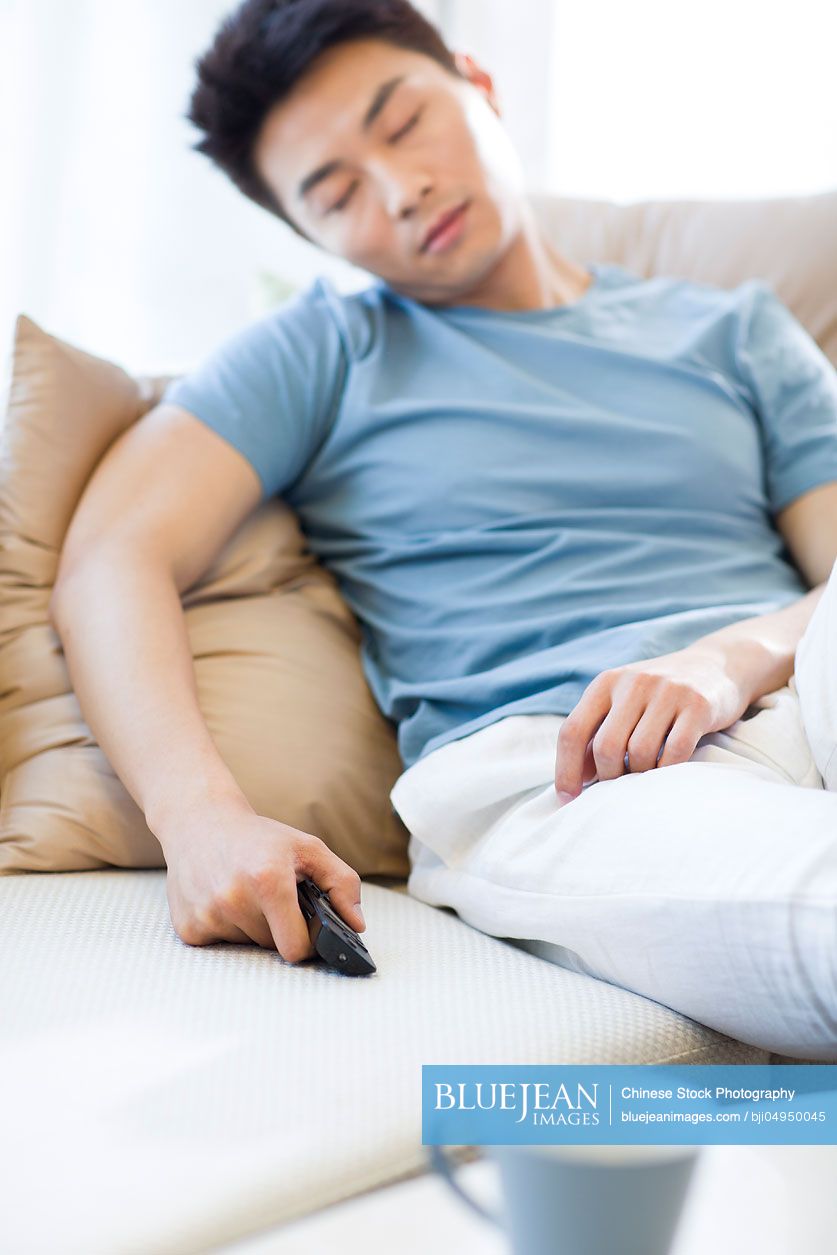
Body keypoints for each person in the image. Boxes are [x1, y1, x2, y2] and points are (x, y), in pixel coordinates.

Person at [50, 0, 837, 1058]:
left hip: (792, 681)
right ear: (308, 234)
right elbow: (114, 557)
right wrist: (199, 821)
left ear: (479, 85)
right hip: (565, 774)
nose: (401, 188)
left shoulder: (734, 330)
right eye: (336, 194)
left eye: (405, 120)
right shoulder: (320, 352)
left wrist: (729, 659)